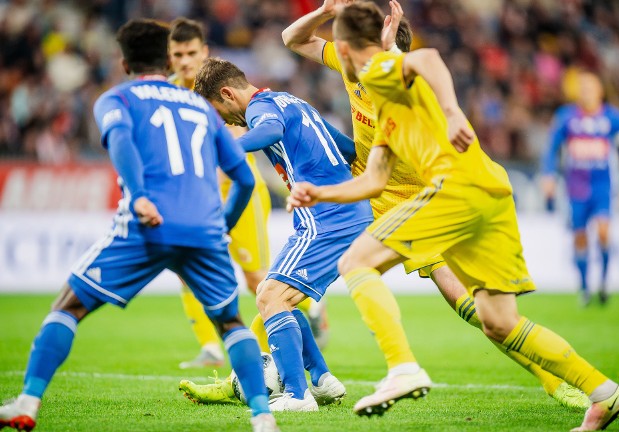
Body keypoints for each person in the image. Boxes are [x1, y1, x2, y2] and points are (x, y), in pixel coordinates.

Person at [287, 3, 619, 430]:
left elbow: (428, 58)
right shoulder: (386, 104)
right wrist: (318, 192)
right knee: (499, 323)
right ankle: (604, 392)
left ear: (344, 47)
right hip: (490, 192)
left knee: (356, 262)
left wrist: (450, 110)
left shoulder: (380, 70)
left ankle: (402, 368)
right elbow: (374, 178)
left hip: (450, 192)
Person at [0, 19, 278, 432]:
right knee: (231, 322)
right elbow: (244, 177)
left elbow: (120, 139)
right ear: (168, 59)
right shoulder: (202, 106)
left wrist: (138, 192)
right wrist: (222, 226)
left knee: (69, 306)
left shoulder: (117, 98)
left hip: (147, 224)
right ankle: (263, 418)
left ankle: (27, 401)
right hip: (203, 229)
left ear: (125, 62)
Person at [190, 57, 373, 411]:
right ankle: (321, 380)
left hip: (326, 217)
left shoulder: (262, 109)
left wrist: (220, 149)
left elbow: (269, 131)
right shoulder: (293, 102)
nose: (225, 122)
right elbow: (348, 150)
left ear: (228, 93)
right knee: (281, 299)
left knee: (269, 298)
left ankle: (297, 394)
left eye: (219, 111)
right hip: (342, 213)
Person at [168, 17, 330, 370]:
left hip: (236, 189)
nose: (183, 61)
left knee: (258, 281)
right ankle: (211, 348)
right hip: (194, 198)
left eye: (191, 52)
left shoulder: (226, 95)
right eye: (177, 54)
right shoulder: (167, 94)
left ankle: (309, 309)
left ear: (204, 52)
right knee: (186, 268)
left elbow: (253, 138)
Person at [542, 70, 619, 306]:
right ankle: (585, 288)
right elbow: (551, 149)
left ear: (600, 91)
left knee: (604, 231)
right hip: (575, 188)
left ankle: (604, 283)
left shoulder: (613, 119)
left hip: (603, 186)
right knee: (580, 238)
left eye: (589, 88)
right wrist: (548, 175)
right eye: (581, 88)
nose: (585, 93)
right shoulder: (566, 117)